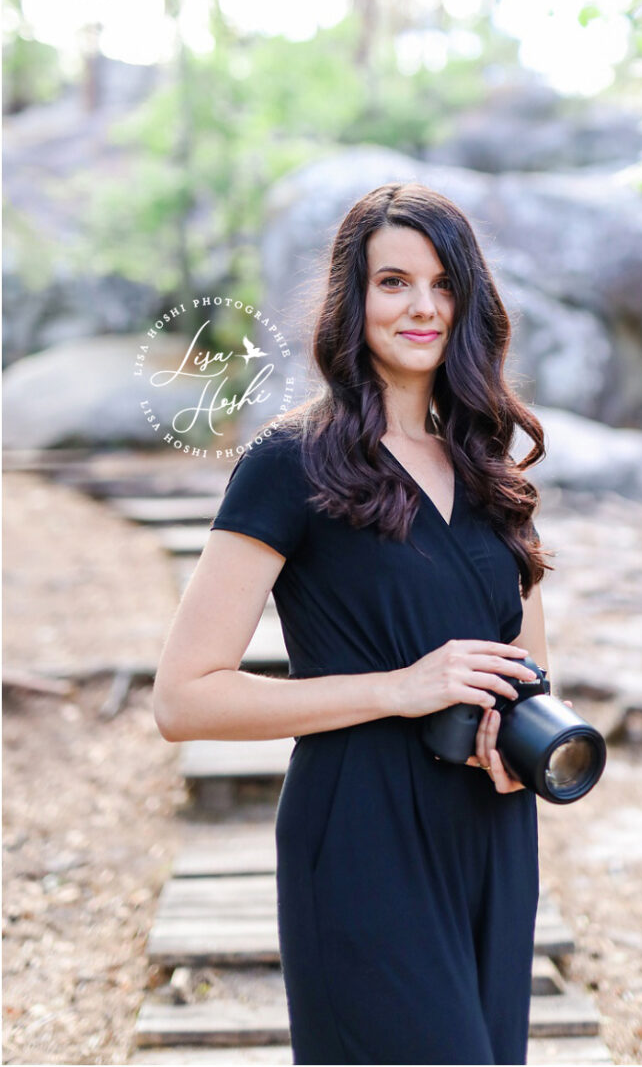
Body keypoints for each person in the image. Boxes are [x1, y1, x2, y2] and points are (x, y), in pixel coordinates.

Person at [153, 181, 560, 1066]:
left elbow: (530, 666)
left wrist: (515, 748)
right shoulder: (289, 460)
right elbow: (184, 700)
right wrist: (400, 688)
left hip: (491, 835)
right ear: (353, 298)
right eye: (394, 282)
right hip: (362, 838)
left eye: (444, 283)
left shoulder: (491, 468)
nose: (423, 306)